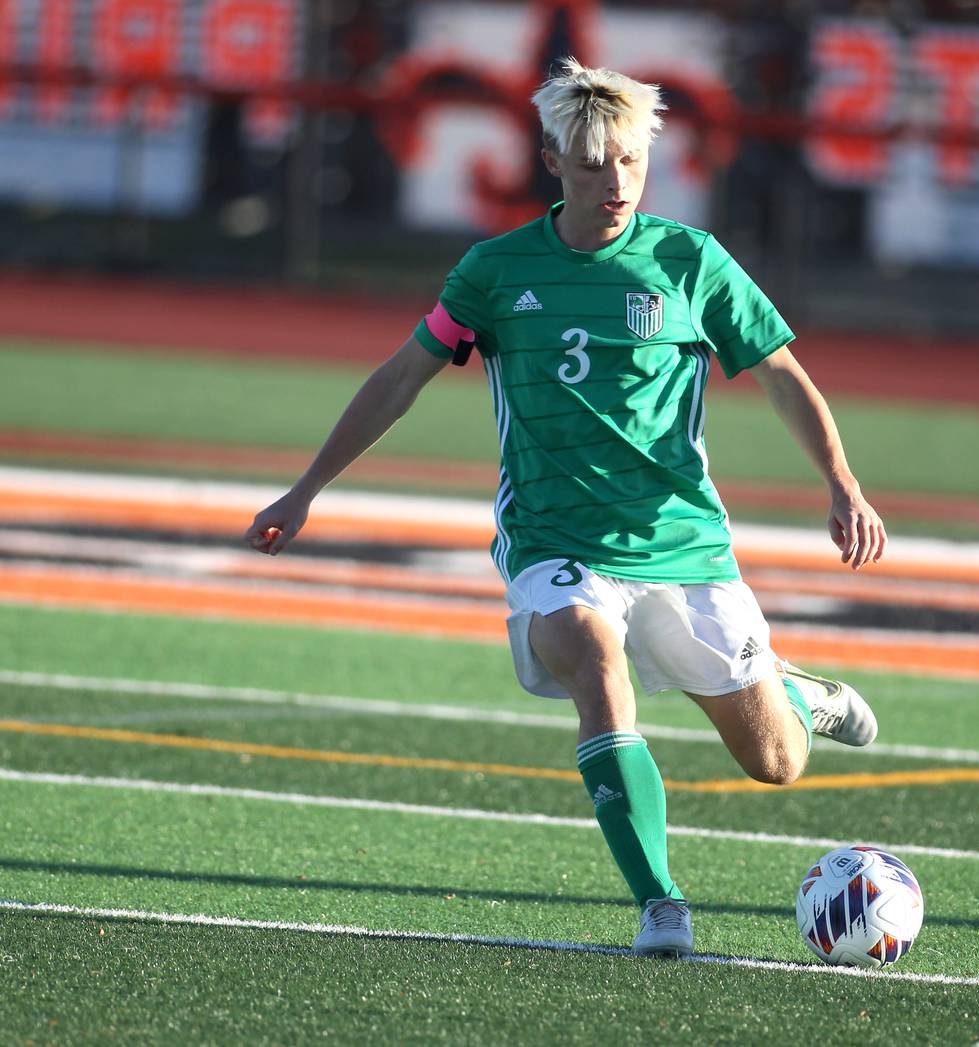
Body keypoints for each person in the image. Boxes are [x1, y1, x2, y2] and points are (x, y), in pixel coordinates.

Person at [244, 58, 887, 959]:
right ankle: (661, 903)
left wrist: (843, 482)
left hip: (682, 542)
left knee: (775, 762)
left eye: (630, 161)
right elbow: (400, 381)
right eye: (592, 164)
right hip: (553, 538)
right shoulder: (495, 272)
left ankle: (793, 693)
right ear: (553, 161)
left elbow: (781, 374)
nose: (614, 182)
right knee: (595, 663)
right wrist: (305, 488)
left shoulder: (690, 262)